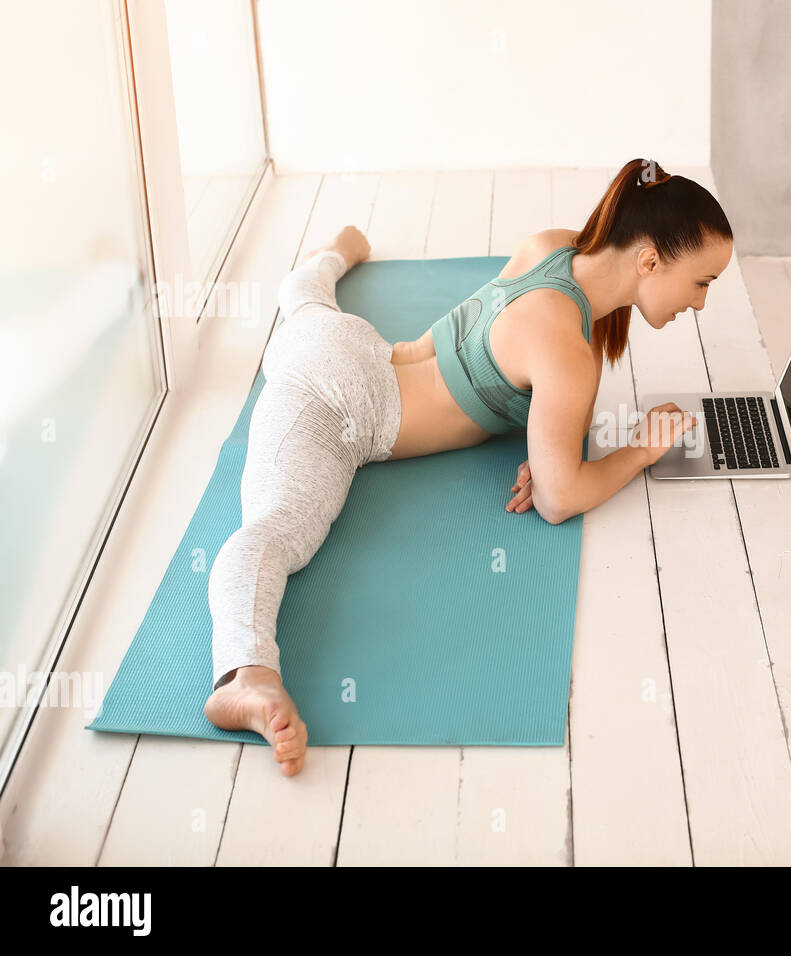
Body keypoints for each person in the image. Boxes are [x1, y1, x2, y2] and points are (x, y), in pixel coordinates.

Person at [202, 158, 734, 775]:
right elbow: (560, 501)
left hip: (353, 346)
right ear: (649, 261)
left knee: (307, 309)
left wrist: (548, 442)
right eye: (702, 282)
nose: (700, 303)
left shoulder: (552, 248)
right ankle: (245, 675)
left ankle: (329, 257)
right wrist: (641, 448)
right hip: (336, 405)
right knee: (275, 533)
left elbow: (473, 339)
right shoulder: (567, 353)